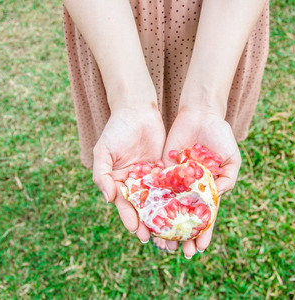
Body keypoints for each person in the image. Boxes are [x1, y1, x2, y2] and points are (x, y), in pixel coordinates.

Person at [63, 0, 269, 259]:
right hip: (110, 23)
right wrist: (129, 101)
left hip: (221, 28)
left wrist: (206, 105)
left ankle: (162, 218)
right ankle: (161, 217)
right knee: (161, 136)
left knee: (188, 125)